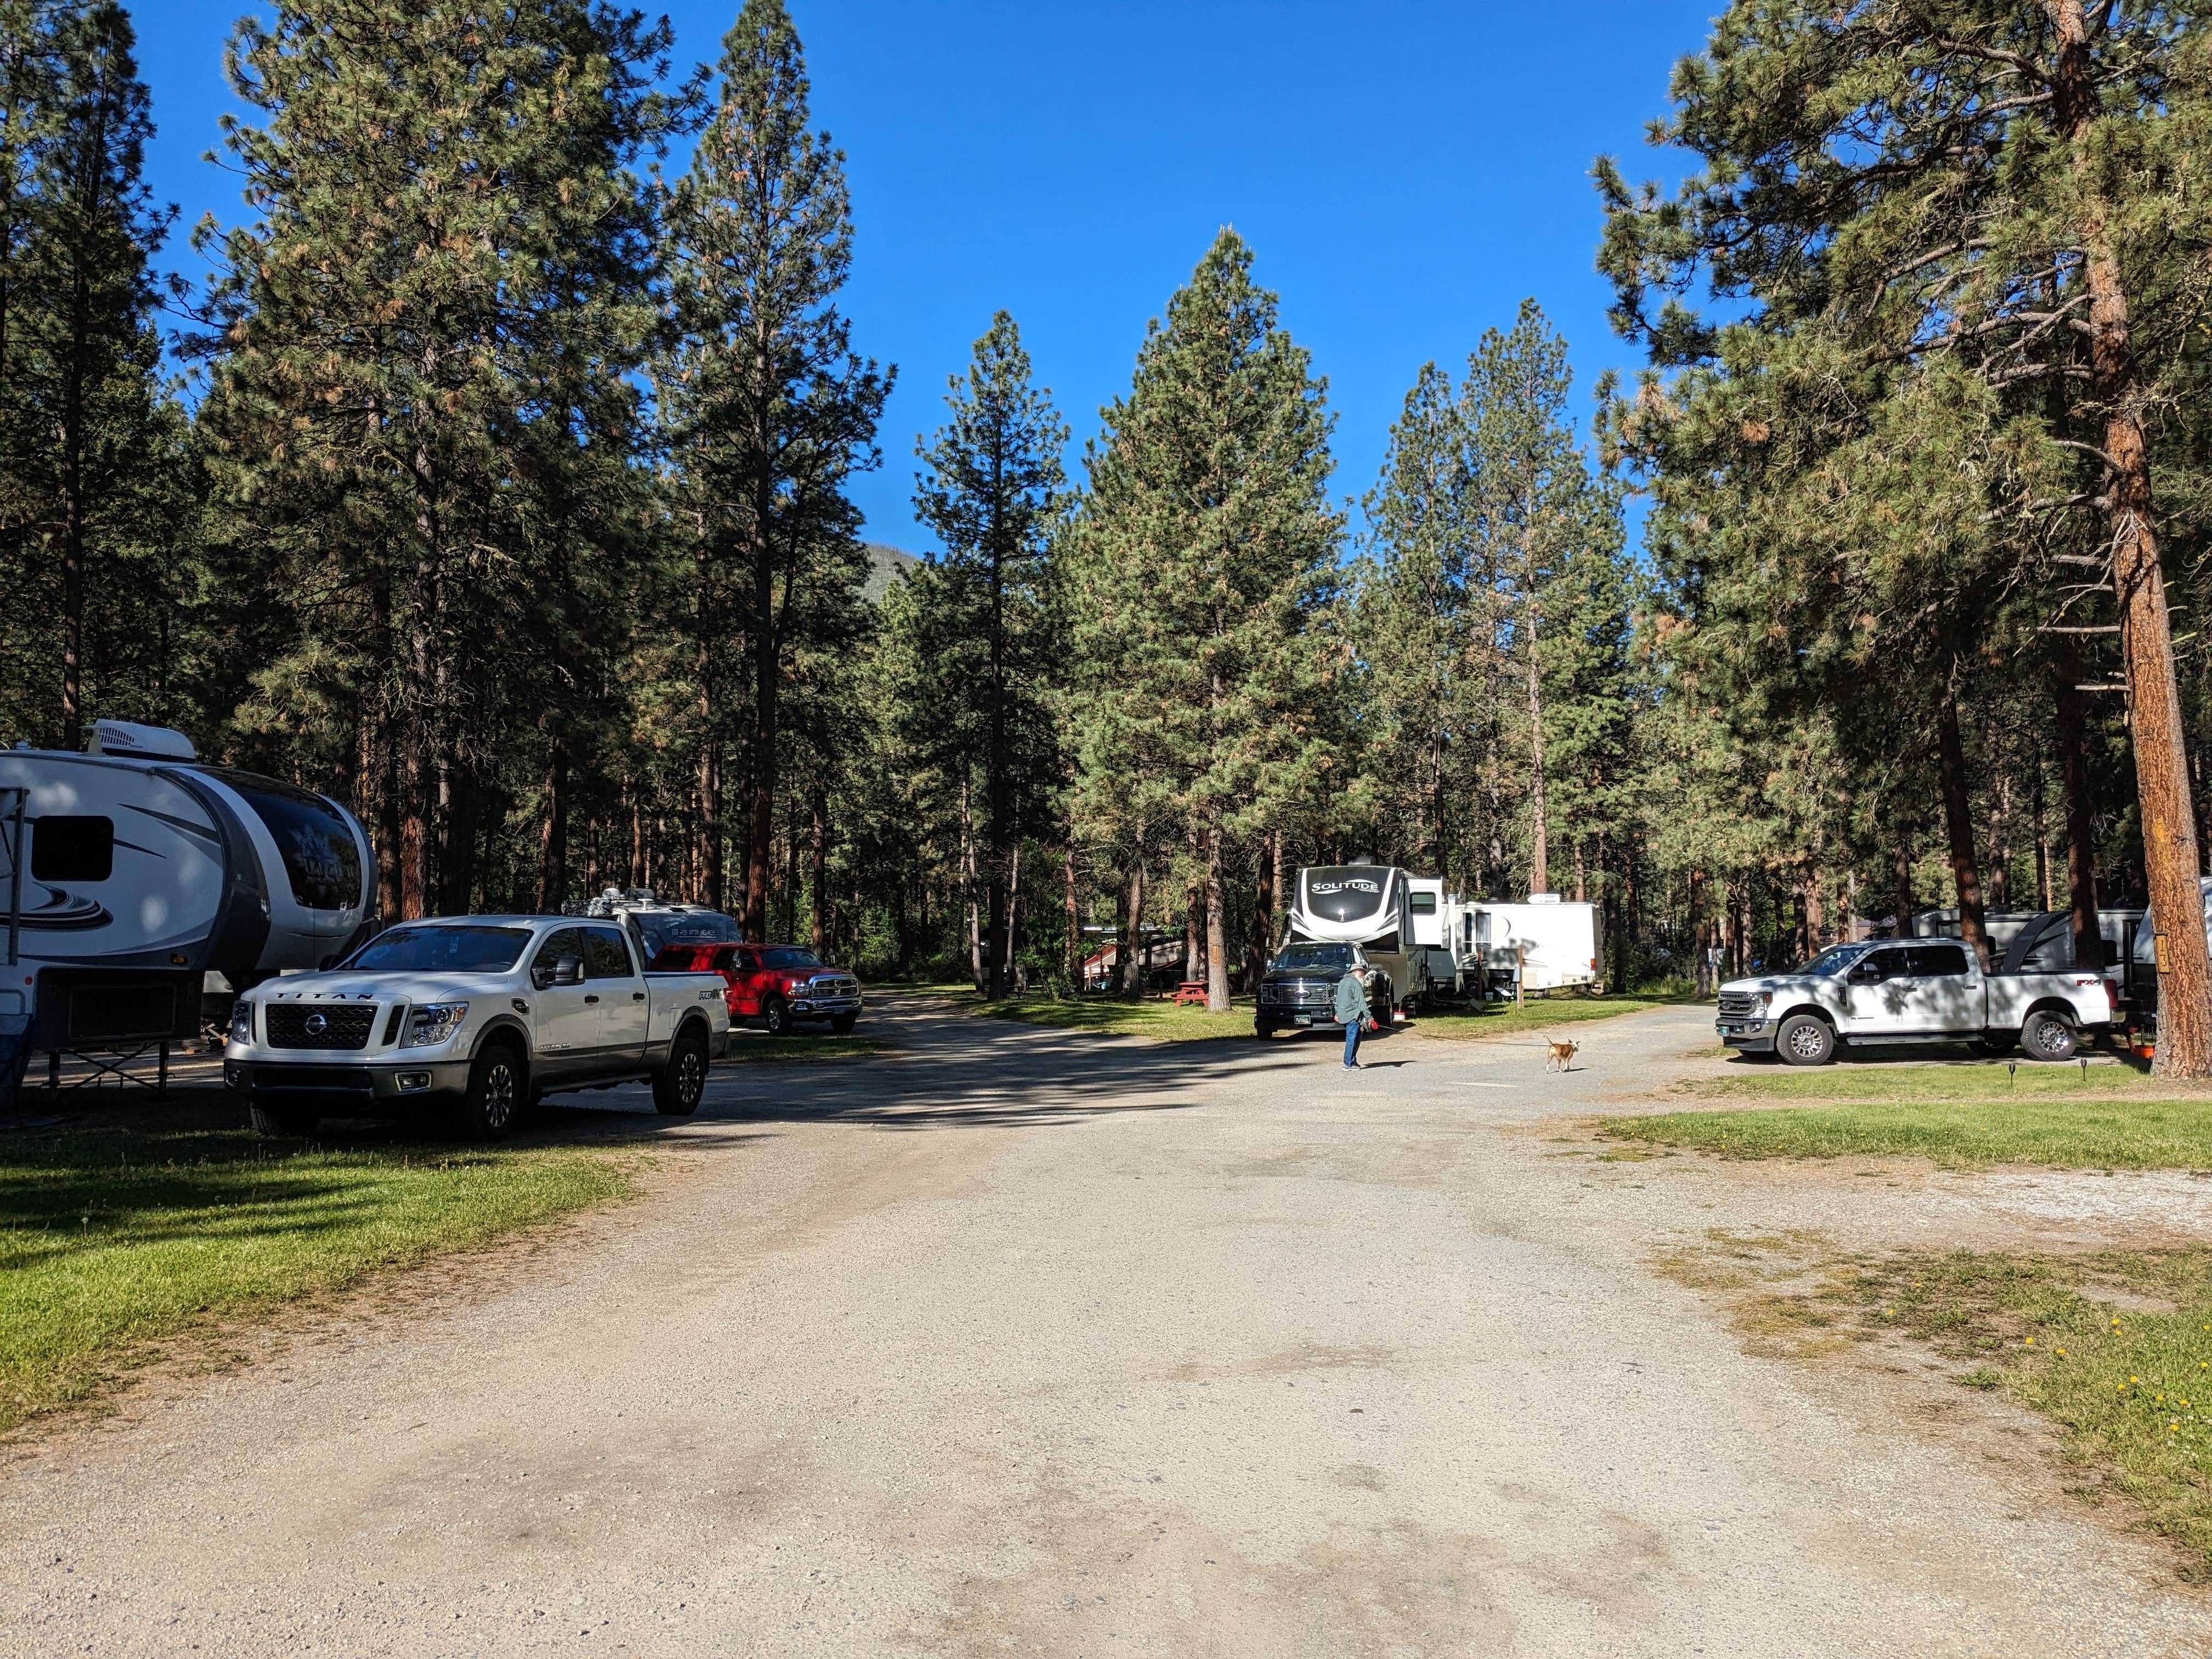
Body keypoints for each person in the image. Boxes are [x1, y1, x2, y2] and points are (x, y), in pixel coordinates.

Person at [1333, 968, 1373, 1070]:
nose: (1363, 973)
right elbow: (1361, 1002)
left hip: (1344, 1015)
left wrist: (1337, 1012)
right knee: (1352, 1039)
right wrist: (1369, 1016)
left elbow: (1338, 999)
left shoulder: (1342, 982)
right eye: (1361, 971)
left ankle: (1353, 1061)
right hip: (1353, 1015)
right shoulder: (1356, 984)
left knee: (1355, 1038)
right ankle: (1348, 1063)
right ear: (1354, 972)